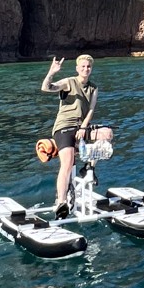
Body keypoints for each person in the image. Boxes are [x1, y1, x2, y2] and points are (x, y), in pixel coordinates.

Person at [41, 53, 98, 216]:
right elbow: (46, 88)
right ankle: (61, 202)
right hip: (64, 127)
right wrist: (52, 72)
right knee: (67, 162)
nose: (86, 69)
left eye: (88, 67)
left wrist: (84, 127)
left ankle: (89, 168)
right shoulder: (69, 82)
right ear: (77, 68)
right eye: (83, 66)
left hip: (81, 127)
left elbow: (91, 109)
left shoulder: (93, 88)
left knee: (106, 135)